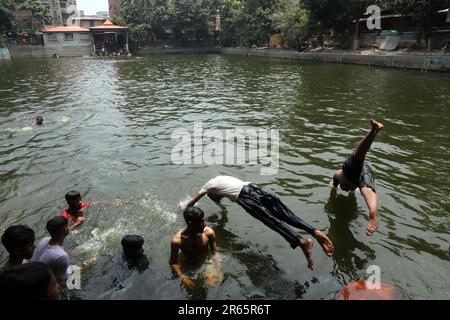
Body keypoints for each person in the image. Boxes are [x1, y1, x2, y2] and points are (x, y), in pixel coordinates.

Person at [186, 176, 334, 270]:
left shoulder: (207, 187)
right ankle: (314, 232)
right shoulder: (220, 179)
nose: (217, 200)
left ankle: (301, 241)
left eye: (214, 198)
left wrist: (186, 216)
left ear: (210, 193)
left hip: (245, 198)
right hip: (254, 187)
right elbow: (224, 194)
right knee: (286, 214)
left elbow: (190, 205)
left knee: (271, 221)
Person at [332, 119, 384, 236]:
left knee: (359, 155)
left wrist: (334, 190)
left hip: (350, 170)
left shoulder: (338, 176)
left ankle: (373, 215)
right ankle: (375, 130)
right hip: (359, 176)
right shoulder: (353, 185)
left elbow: (334, 181)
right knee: (366, 189)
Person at [170, 207, 222, 289]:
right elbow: (173, 263)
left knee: (213, 286)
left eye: (203, 220)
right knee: (193, 289)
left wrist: (219, 269)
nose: (204, 224)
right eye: (201, 221)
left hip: (207, 262)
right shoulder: (177, 241)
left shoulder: (208, 233)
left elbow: (215, 252)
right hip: (189, 267)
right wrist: (183, 277)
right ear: (191, 223)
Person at [59, 190, 125, 230]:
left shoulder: (83, 205)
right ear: (68, 203)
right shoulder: (65, 215)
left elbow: (99, 202)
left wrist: (113, 202)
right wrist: (76, 224)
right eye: (76, 201)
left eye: (80, 199)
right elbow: (62, 233)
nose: (80, 202)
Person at [34, 216, 70, 282]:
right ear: (65, 230)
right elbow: (65, 279)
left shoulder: (44, 239)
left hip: (37, 275)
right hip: (46, 286)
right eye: (68, 226)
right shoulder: (62, 255)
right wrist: (85, 267)